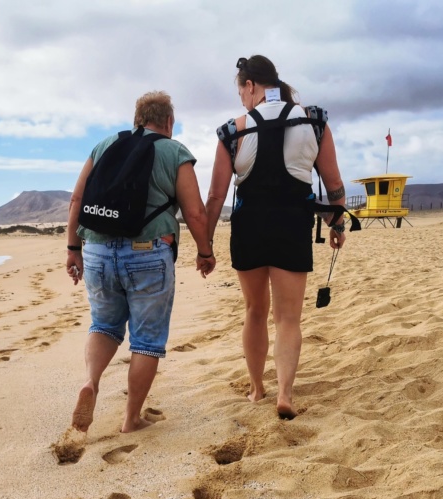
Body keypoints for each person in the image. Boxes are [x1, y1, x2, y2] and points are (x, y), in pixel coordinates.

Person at [204, 55, 350, 419]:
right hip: (292, 225)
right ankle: (285, 393)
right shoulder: (313, 122)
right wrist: (336, 224)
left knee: (255, 311)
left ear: (250, 85)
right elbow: (334, 185)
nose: (241, 99)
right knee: (288, 318)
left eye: (241, 91)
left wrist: (205, 244)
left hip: (250, 227)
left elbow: (215, 197)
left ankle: (257, 389)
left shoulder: (233, 131)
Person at [66, 91, 214, 434]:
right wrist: (205, 252)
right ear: (169, 122)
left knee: (104, 325)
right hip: (148, 253)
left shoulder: (104, 146)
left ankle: (91, 381)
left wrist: (73, 248)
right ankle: (131, 419)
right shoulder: (174, 152)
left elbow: (77, 198)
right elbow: (194, 212)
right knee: (147, 340)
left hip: (98, 252)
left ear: (137, 119)